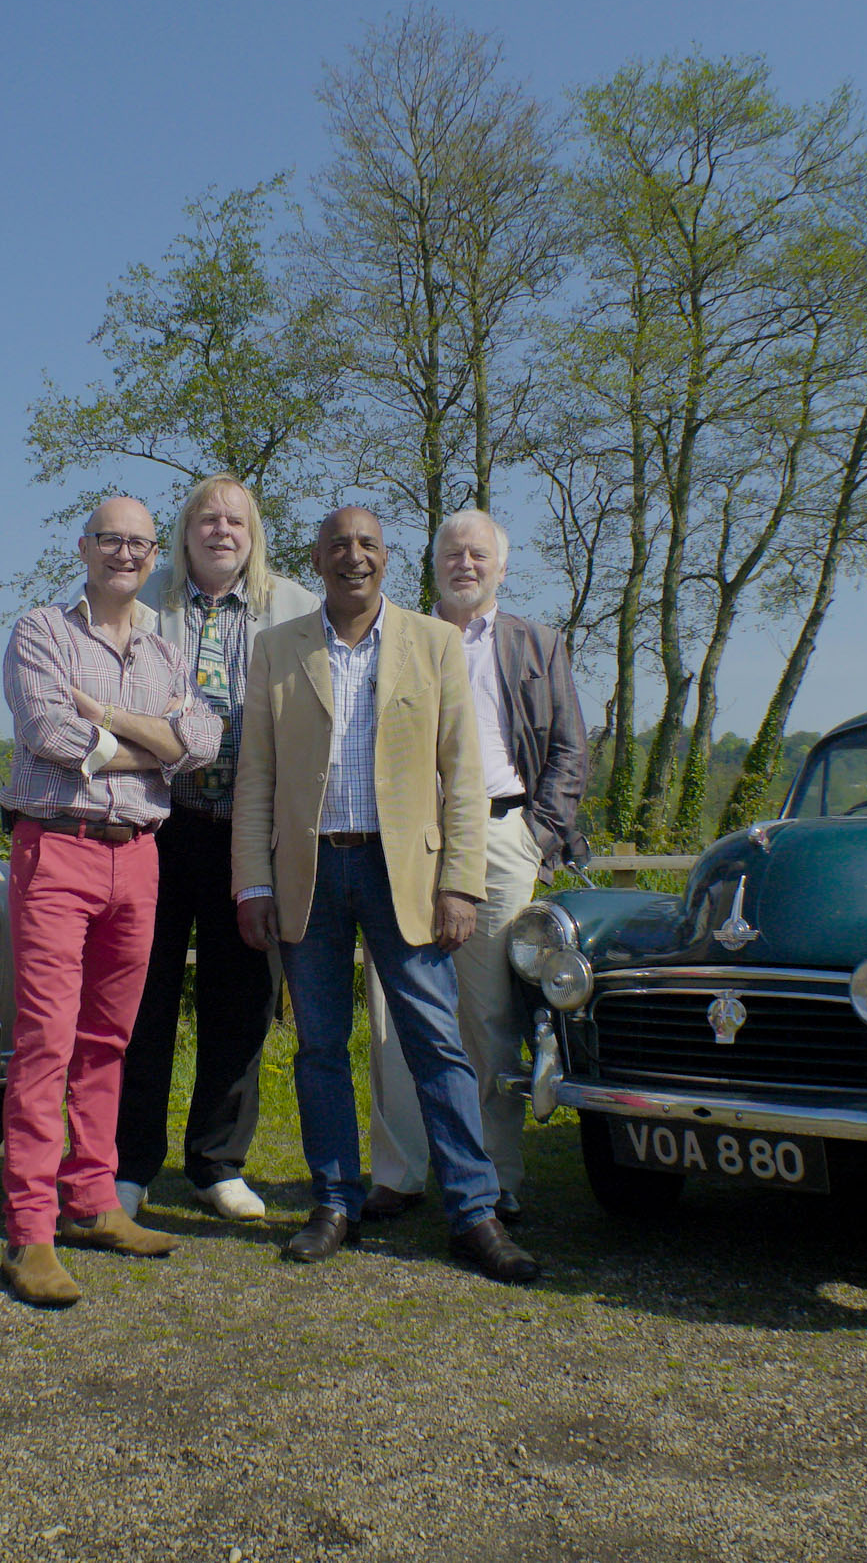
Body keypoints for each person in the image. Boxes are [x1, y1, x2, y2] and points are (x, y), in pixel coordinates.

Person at [229, 507, 539, 1284]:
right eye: (339, 546)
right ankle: (336, 1202)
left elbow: (462, 775)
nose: (353, 558)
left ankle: (473, 1212)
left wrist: (461, 882)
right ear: (319, 558)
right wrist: (254, 881)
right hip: (310, 877)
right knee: (321, 1048)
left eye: (367, 545)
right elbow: (256, 777)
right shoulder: (277, 649)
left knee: (437, 1044)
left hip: (406, 877)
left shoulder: (431, 644)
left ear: (387, 559)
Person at [0, 496, 222, 1308]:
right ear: (85, 547)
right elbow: (50, 734)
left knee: (108, 1039)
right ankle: (30, 1229)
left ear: (153, 553)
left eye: (138, 542)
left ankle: (91, 1199)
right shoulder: (41, 632)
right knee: (46, 1042)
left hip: (139, 859)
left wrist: (115, 730)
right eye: (110, 539)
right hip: (57, 847)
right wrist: (151, 747)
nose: (124, 553)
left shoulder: (166, 651)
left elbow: (203, 742)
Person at [361, 510, 590, 1223]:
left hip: (499, 835)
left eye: (479, 554)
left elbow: (570, 751)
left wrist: (537, 834)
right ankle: (400, 1174)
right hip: (398, 840)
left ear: (502, 566)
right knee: (392, 1013)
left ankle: (493, 1177)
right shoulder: (389, 637)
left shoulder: (537, 644)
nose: (466, 563)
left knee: (488, 1014)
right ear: (431, 565)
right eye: (453, 553)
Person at [115, 476, 319, 1222]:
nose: (222, 530)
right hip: (160, 827)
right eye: (208, 517)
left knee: (241, 1003)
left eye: (236, 519)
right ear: (186, 530)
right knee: (144, 998)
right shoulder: (145, 604)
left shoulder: (296, 607)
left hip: (251, 835)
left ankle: (217, 1163)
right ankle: (129, 1163)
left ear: (254, 532)